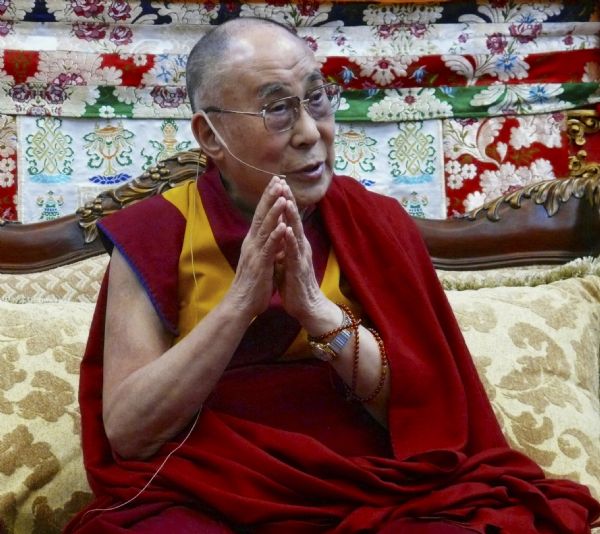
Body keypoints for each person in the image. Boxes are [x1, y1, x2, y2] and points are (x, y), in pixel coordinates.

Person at [66, 17, 600, 533]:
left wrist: (320, 316)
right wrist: (238, 306)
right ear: (211, 135)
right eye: (276, 109)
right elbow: (130, 434)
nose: (310, 132)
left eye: (316, 98)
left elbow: (433, 420)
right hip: (206, 492)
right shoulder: (157, 232)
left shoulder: (378, 225)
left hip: (373, 489)